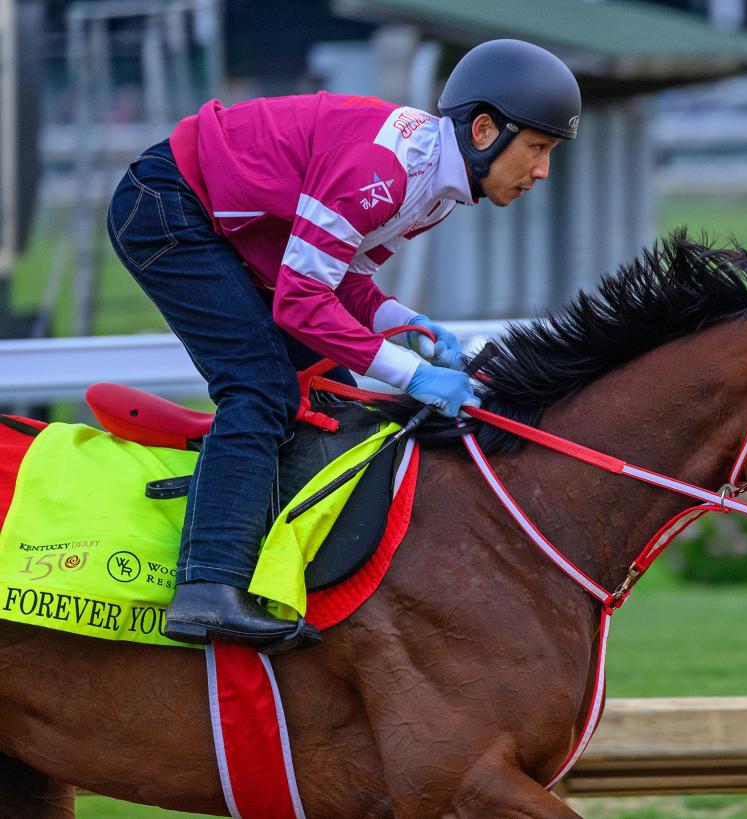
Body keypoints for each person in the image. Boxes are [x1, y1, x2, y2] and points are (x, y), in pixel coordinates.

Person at [105, 39, 581, 651]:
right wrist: (412, 376)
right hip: (167, 207)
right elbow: (302, 302)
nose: (542, 171)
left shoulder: (435, 192)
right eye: (538, 148)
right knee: (261, 389)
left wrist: (407, 323)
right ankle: (208, 587)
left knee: (335, 404)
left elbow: (344, 281)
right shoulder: (382, 172)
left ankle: (294, 573)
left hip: (227, 227)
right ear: (485, 130)